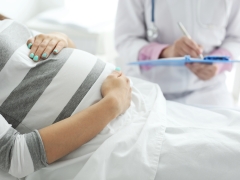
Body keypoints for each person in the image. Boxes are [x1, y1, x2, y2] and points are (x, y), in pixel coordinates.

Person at [1, 19, 240, 180]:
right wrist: (112, 103)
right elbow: (15, 156)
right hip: (113, 140)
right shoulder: (114, 106)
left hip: (141, 105)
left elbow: (43, 57)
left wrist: (60, 38)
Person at [115, 0, 240, 107]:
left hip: (209, 92)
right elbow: (126, 40)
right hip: (150, 90)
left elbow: (236, 38)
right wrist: (165, 52)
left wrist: (217, 63)